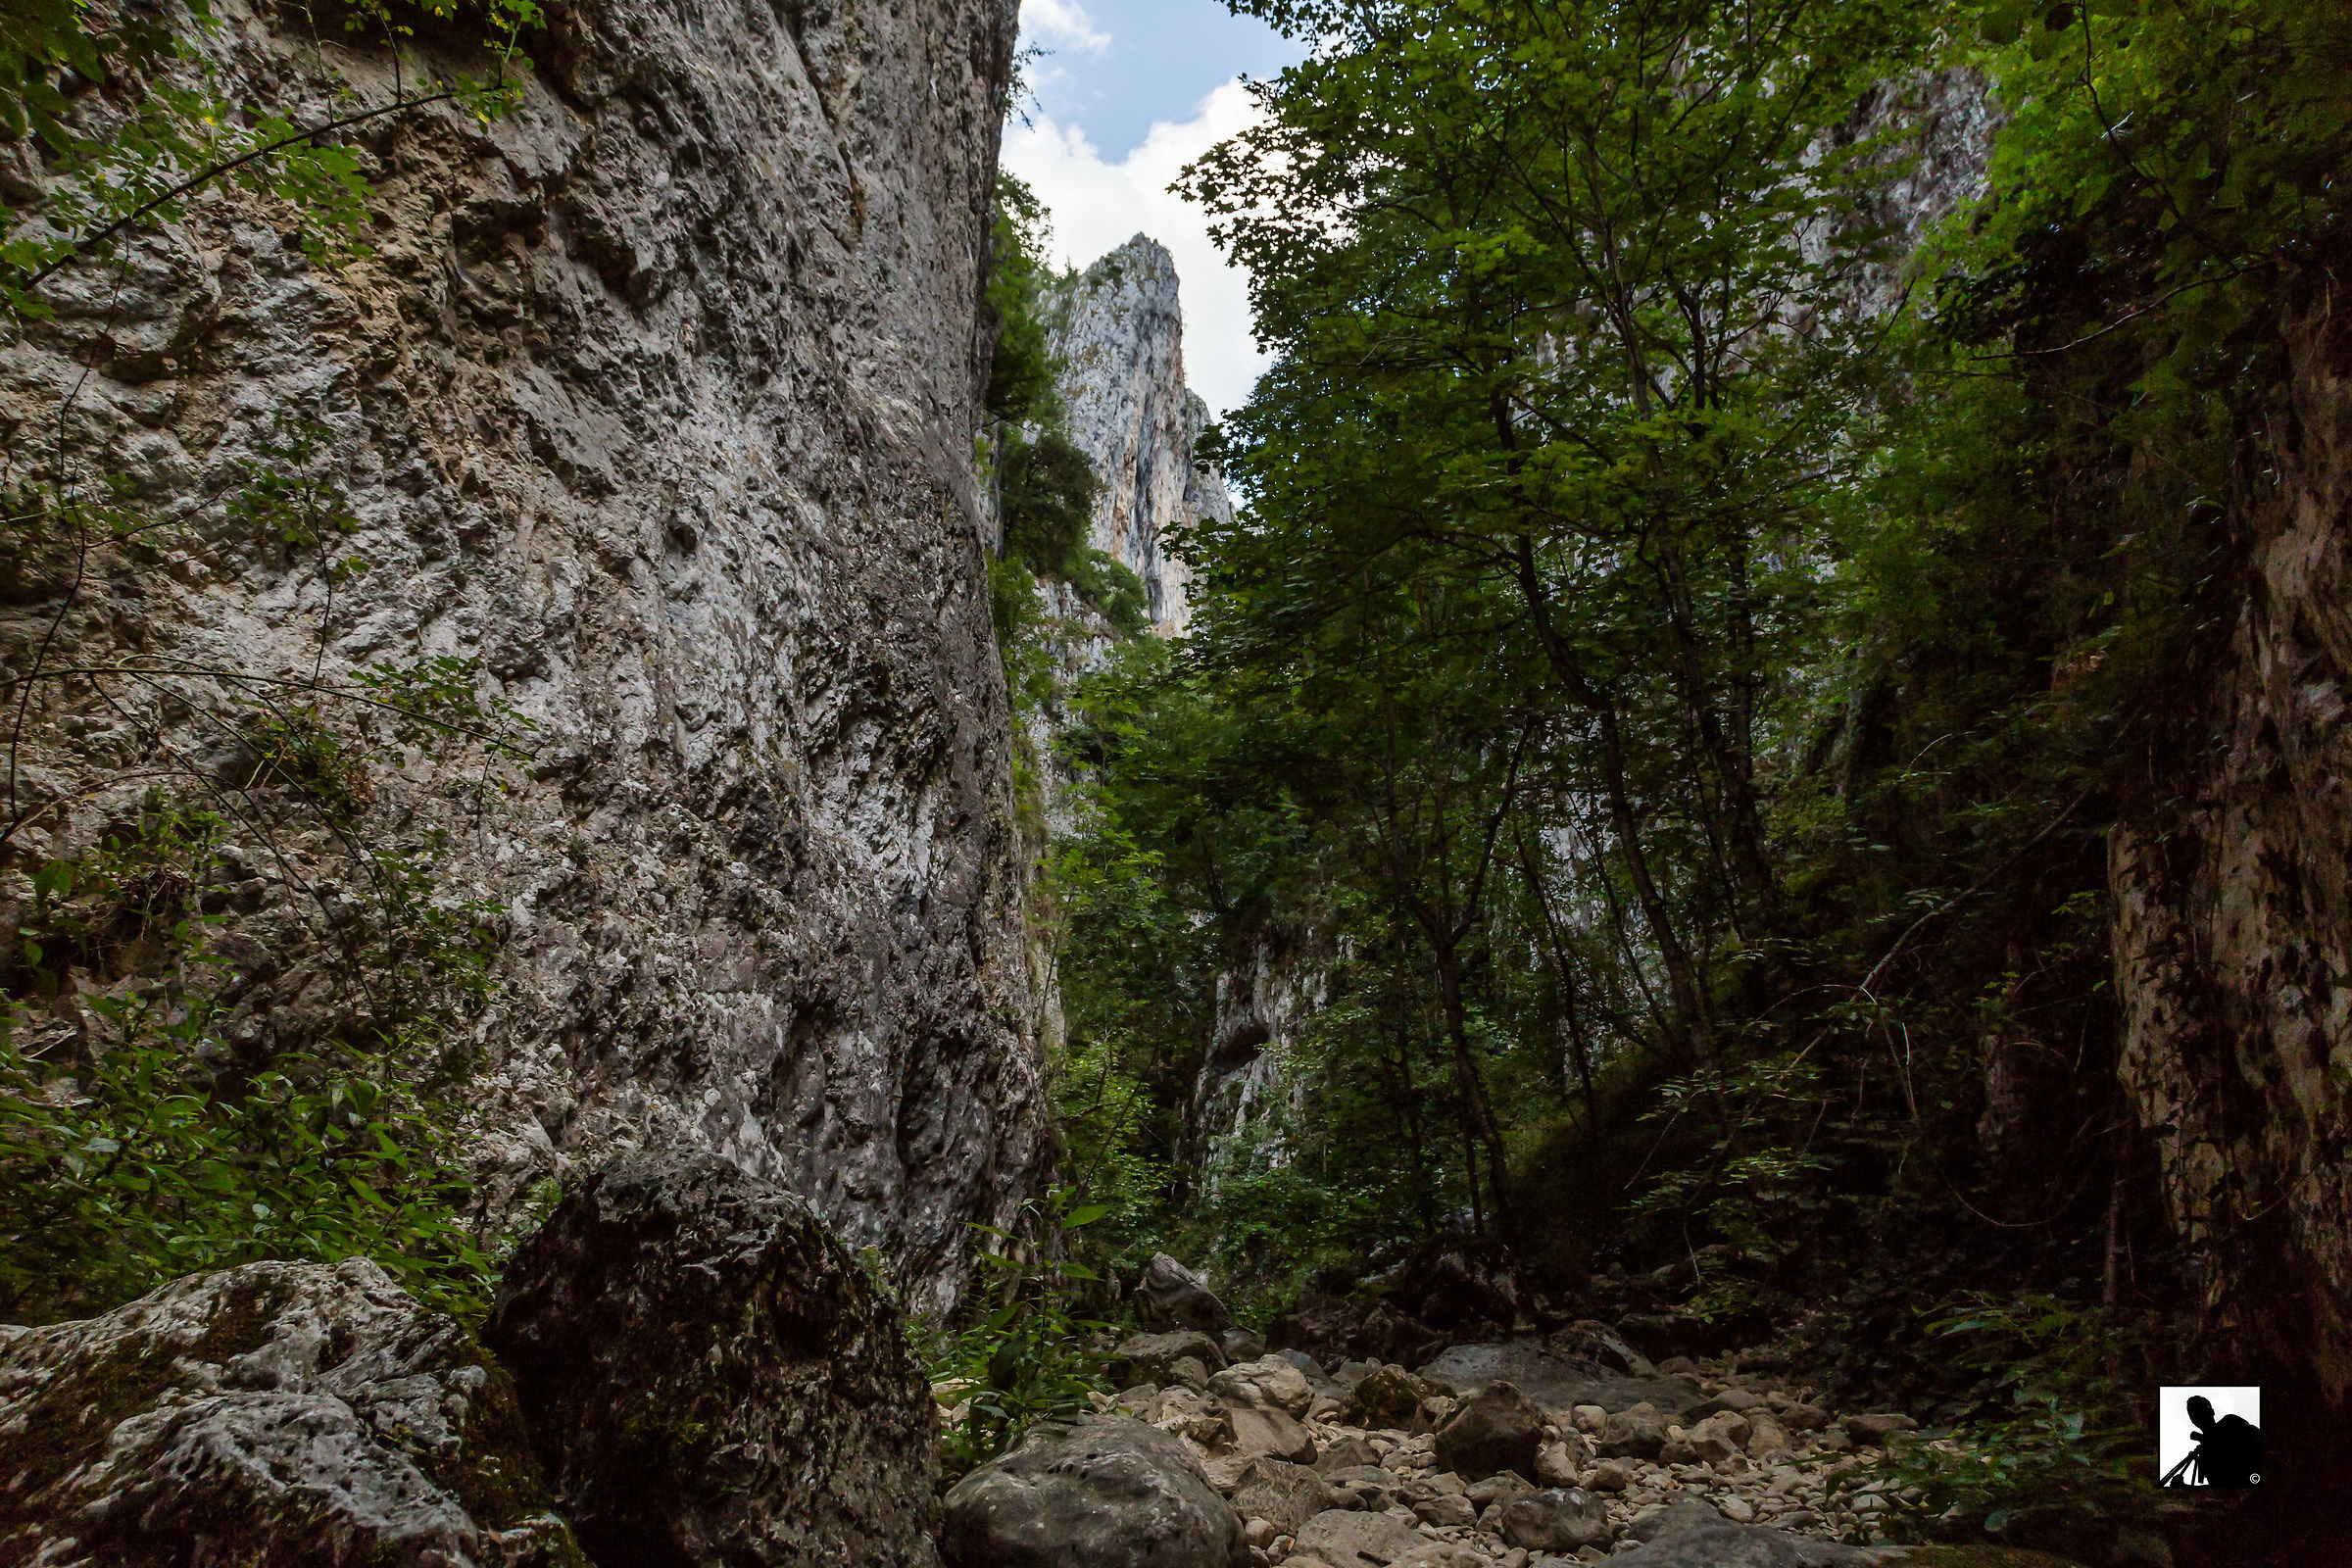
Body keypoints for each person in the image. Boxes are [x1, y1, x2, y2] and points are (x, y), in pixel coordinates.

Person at [2162, 1395, 2261, 1487]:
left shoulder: (2230, 1421)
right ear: (2193, 1421)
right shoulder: (2204, 1453)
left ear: (2212, 1411)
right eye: (2193, 1412)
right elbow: (2219, 1486)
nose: (2197, 1413)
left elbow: (2256, 1440)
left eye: (2200, 1408)